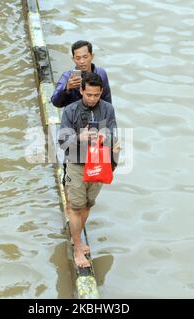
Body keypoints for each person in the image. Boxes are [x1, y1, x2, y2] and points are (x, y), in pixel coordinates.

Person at [58, 72, 118, 268]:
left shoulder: (108, 109)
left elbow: (114, 134)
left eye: (96, 95)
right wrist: (80, 138)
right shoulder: (70, 110)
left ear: (101, 93)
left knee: (88, 205)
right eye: (88, 94)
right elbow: (62, 142)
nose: (92, 99)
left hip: (99, 163)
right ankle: (77, 248)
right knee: (75, 207)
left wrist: (112, 157)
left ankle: (77, 239)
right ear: (81, 90)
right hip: (76, 163)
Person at [51, 40, 112, 108]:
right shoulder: (67, 76)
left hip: (96, 116)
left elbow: (107, 102)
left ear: (92, 56)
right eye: (78, 58)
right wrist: (66, 88)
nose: (82, 61)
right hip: (73, 116)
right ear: (73, 59)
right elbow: (55, 102)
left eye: (85, 57)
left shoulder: (101, 74)